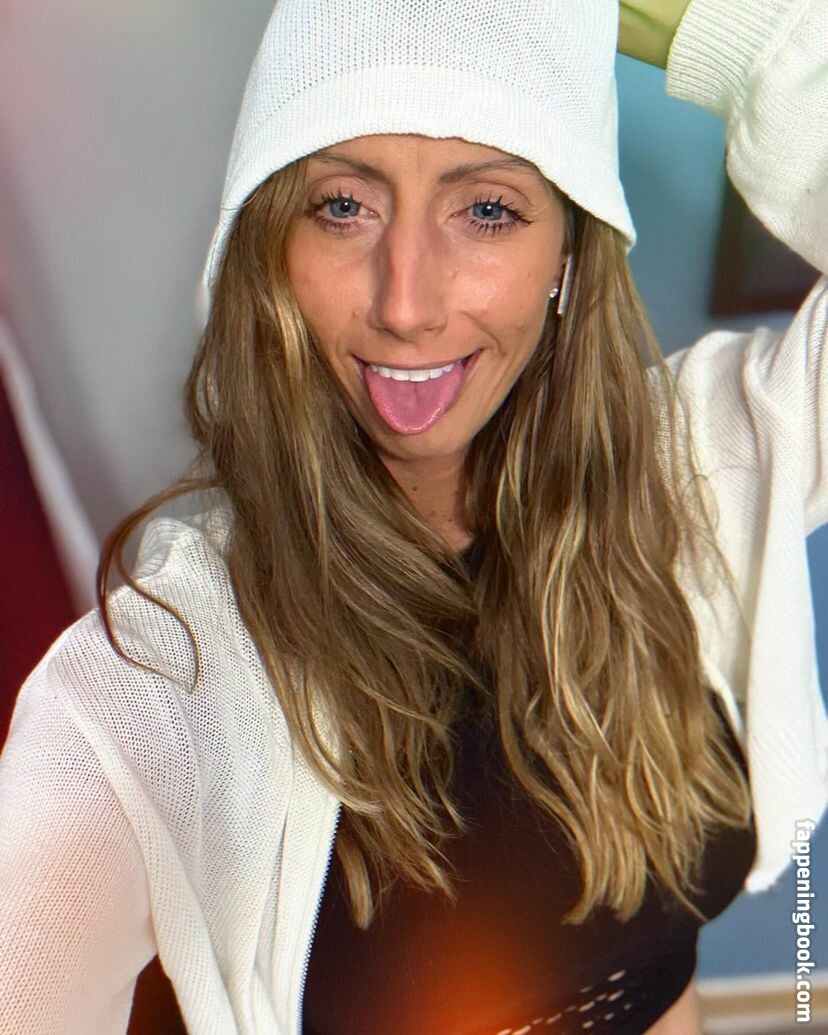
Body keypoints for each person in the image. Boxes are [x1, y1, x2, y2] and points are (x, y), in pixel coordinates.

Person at [0, 0, 825, 1032]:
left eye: (487, 211)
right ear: (269, 244)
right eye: (344, 205)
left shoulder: (692, 472)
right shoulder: (158, 686)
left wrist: (751, 45)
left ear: (570, 255)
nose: (405, 303)